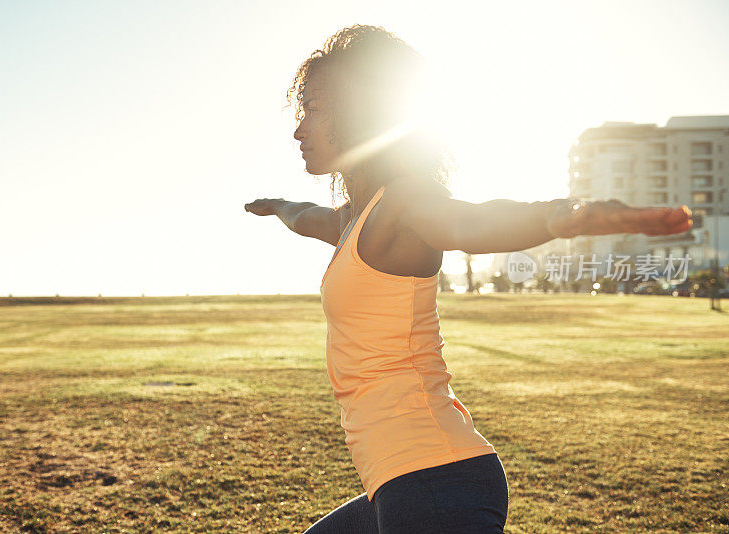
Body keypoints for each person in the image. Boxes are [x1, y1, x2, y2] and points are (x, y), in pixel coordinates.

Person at [244, 25, 692, 534]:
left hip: (436, 481)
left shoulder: (403, 202)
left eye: (314, 108)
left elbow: (469, 222)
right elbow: (306, 216)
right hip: (402, 483)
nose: (299, 128)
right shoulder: (355, 220)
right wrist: (277, 206)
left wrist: (564, 216)